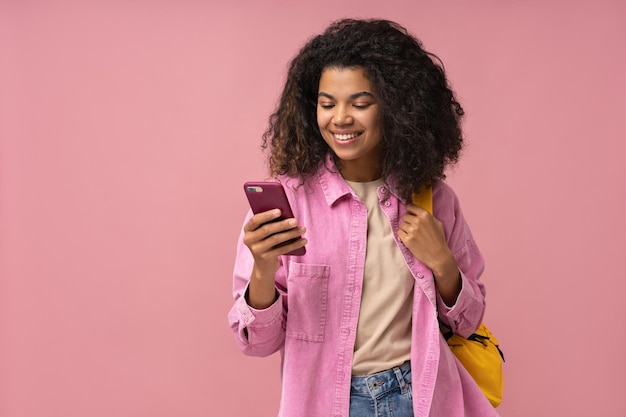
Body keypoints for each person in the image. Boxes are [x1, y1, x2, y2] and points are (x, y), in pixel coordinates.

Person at [228, 18, 498, 417]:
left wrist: (442, 263)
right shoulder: (290, 203)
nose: (340, 118)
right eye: (327, 103)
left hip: (418, 396)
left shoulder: (434, 201)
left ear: (396, 107)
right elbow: (256, 343)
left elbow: (467, 322)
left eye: (360, 103)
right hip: (328, 403)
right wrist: (264, 269)